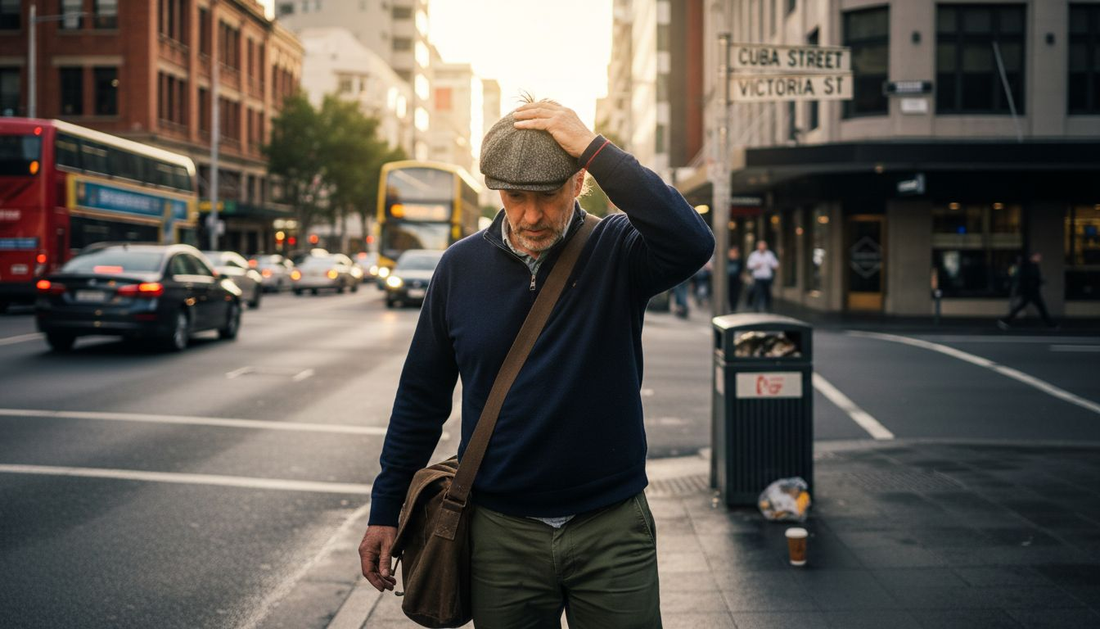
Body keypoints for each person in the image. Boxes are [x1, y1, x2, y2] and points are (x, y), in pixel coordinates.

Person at [358, 99, 714, 628]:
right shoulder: (460, 267)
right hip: (502, 532)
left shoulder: (618, 251)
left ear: (578, 183)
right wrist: (386, 509)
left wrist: (594, 146)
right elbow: (420, 396)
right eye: (514, 196)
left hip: (611, 526)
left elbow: (691, 241)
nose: (529, 215)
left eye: (546, 196)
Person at [999, 252, 1056, 329]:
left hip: (1032, 291)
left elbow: (1033, 278)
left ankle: (1005, 321)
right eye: (1037, 257)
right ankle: (1050, 324)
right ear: (1032, 257)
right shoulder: (1027, 266)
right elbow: (1025, 278)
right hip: (1030, 291)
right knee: (1039, 308)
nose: (1039, 259)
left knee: (1037, 308)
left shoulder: (1033, 266)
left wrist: (1039, 281)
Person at [746, 240, 779, 312]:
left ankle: (768, 308)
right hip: (758, 277)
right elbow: (749, 265)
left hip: (767, 277)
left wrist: (774, 266)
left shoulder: (769, 255)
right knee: (758, 293)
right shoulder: (754, 255)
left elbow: (775, 264)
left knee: (767, 293)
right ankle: (756, 308)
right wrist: (756, 265)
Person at [727, 246, 743, 312]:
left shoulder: (739, 261)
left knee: (735, 294)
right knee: (730, 294)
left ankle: (734, 307)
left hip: (737, 280)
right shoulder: (728, 260)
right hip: (729, 279)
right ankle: (731, 307)